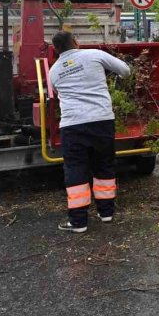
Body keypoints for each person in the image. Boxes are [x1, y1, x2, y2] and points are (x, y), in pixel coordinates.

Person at [49, 30, 131, 233]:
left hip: (72, 125)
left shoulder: (53, 71)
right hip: (101, 120)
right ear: (75, 42)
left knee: (76, 169)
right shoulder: (94, 54)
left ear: (56, 49)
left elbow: (57, 93)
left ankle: (78, 222)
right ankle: (106, 213)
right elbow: (125, 71)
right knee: (104, 164)